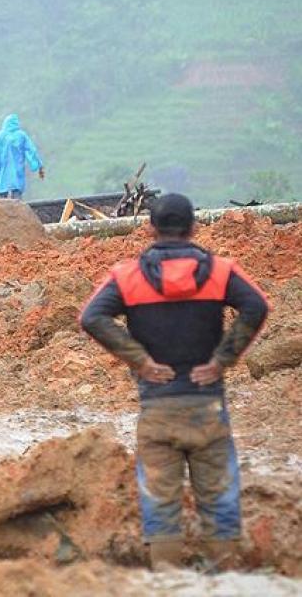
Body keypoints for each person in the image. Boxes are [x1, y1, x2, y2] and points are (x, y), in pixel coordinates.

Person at [80, 194, 269, 571]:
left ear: (149, 228)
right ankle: (226, 582)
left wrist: (141, 361)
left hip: (158, 409)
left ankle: (167, 582)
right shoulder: (220, 272)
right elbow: (258, 305)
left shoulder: (128, 277)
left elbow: (92, 317)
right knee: (219, 501)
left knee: (160, 504)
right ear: (194, 227)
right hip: (207, 408)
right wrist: (221, 360)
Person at [0, 113, 45, 199]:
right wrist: (39, 166)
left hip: (2, 172)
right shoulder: (21, 136)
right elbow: (32, 151)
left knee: (2, 196)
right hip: (17, 172)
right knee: (17, 195)